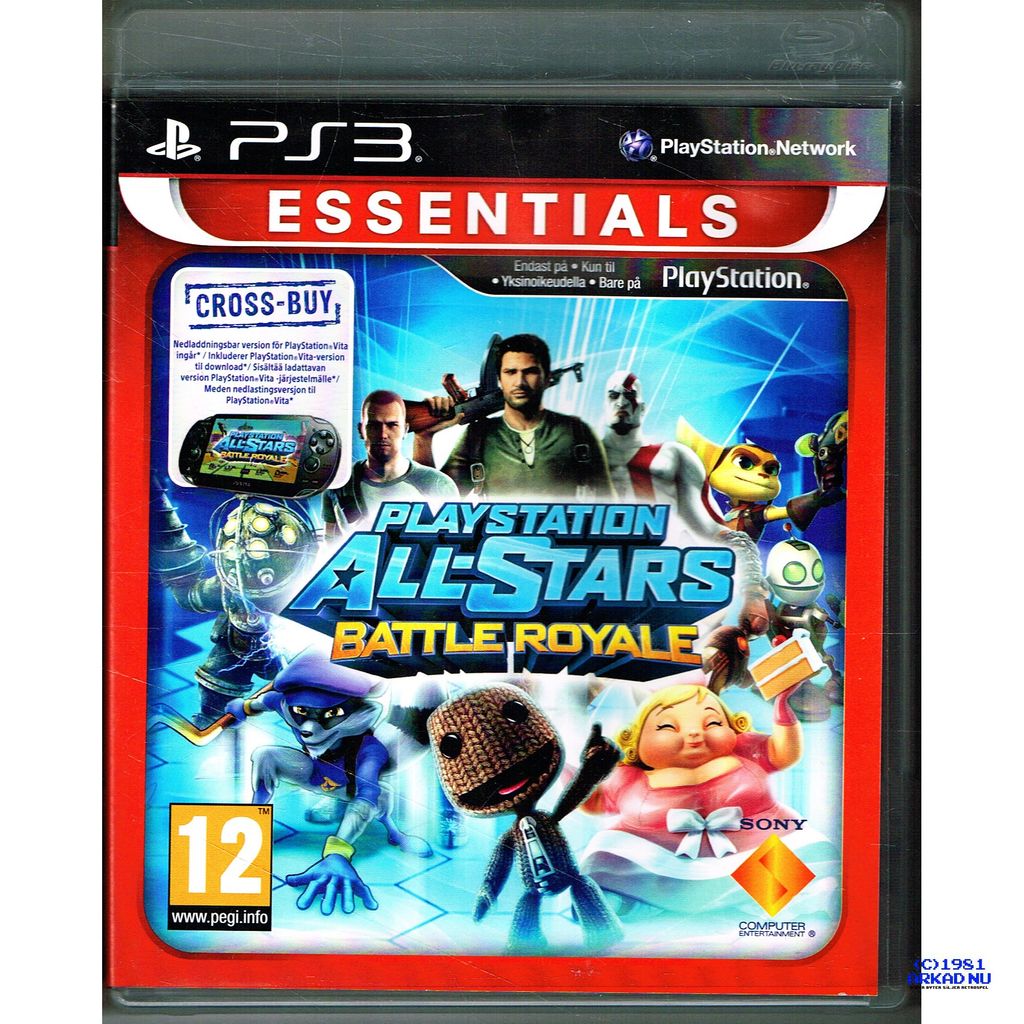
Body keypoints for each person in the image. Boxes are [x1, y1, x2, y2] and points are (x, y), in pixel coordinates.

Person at [578, 683, 834, 915]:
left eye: (712, 723)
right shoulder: (628, 776)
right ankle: (621, 902)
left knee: (794, 880)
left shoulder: (744, 749)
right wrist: (581, 769)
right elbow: (591, 802)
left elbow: (784, 753)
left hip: (749, 845)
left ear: (732, 727)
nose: (694, 734)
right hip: (661, 857)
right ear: (637, 740)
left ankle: (806, 898)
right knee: (611, 860)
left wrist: (783, 712)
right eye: (667, 727)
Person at [601, 368, 768, 635]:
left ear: (642, 407)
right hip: (593, 590)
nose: (621, 403)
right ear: (606, 402)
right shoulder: (576, 459)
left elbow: (719, 532)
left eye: (629, 396)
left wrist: (753, 593)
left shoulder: (673, 457)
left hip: (664, 592)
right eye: (614, 396)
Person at [413, 334, 614, 499]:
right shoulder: (477, 435)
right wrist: (423, 439)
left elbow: (609, 507)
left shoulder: (577, 432)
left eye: (530, 372)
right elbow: (434, 499)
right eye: (510, 372)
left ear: (546, 378)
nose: (520, 382)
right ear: (499, 379)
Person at [322, 389, 457, 538]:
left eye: (392, 425)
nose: (383, 434)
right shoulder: (340, 483)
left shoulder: (438, 483)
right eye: (374, 425)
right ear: (361, 430)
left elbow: (456, 541)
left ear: (405, 430)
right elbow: (330, 542)